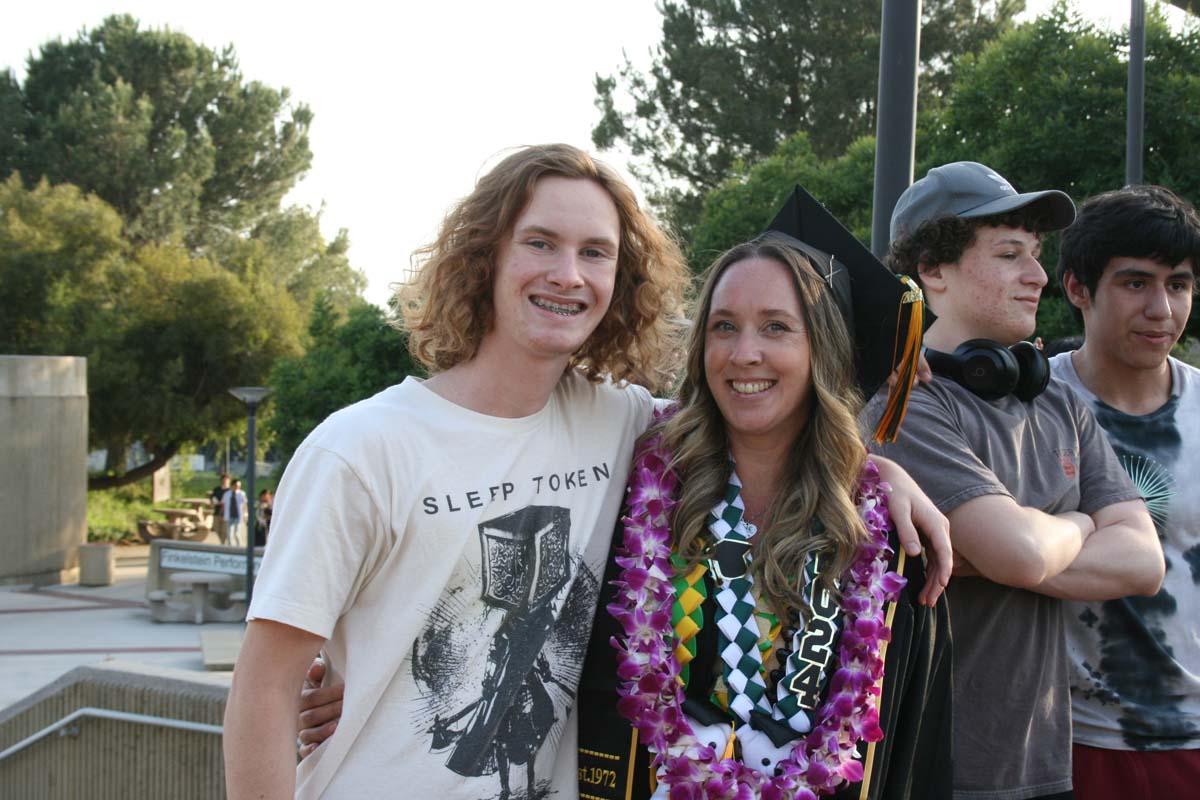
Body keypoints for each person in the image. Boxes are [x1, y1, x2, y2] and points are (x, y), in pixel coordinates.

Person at [237, 145, 949, 799]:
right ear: (486, 256)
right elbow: (265, 690)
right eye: (540, 243)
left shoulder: (620, 425)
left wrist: (879, 473)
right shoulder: (362, 450)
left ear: (620, 279)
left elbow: (761, 413)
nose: (567, 274)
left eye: (595, 253)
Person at [575, 188, 952, 799]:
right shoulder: (634, 497)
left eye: (777, 327)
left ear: (823, 352)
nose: (744, 353)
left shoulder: (888, 548)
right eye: (724, 326)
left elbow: (915, 754)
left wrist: (882, 476)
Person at [875, 161, 1165, 800]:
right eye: (1010, 254)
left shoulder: (1057, 402)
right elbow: (1021, 552)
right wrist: (1082, 522)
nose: (1038, 275)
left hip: (1041, 767)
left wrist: (1002, 554)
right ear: (933, 269)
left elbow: (1144, 563)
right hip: (935, 773)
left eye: (1035, 254)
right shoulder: (907, 405)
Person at [1052, 184, 1200, 798]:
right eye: (1136, 283)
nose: (1162, 309)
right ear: (1077, 289)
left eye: (1180, 284)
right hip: (1060, 742)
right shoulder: (1022, 406)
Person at [223, 478, 249, 547]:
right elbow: (224, 504)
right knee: (229, 533)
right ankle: (230, 546)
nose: (238, 487)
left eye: (239, 486)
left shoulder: (242, 494)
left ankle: (239, 546)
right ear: (233, 485)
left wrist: (245, 514)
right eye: (236, 485)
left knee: (237, 532)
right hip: (229, 515)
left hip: (238, 515)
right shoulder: (227, 494)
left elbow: (245, 505)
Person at [209, 473, 231, 544]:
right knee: (217, 529)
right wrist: (217, 503)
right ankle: (221, 543)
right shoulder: (216, 489)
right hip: (217, 512)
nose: (225, 481)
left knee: (224, 531)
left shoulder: (230, 491)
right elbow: (212, 500)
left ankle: (223, 544)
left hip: (226, 514)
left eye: (226, 480)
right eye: (224, 480)